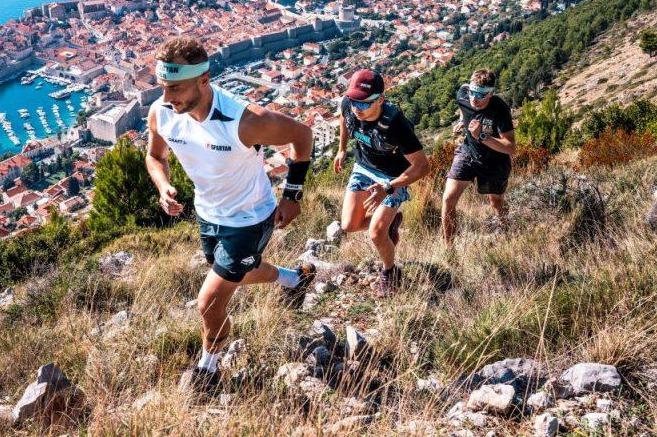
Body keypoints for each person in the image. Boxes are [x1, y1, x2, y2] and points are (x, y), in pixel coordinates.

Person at [146, 37, 316, 394]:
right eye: (163, 87)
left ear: (204, 80)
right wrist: (163, 187)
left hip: (251, 217)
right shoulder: (161, 113)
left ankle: (208, 369)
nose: (167, 96)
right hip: (209, 215)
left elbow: (303, 135)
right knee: (241, 272)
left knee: (209, 302)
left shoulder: (245, 120)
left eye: (175, 87)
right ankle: (293, 279)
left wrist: (293, 195)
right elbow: (155, 157)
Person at [333, 69, 429, 297]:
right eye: (355, 101)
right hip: (363, 167)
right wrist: (341, 149)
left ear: (381, 100)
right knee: (348, 225)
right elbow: (344, 118)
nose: (358, 108)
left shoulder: (396, 126)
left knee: (376, 234)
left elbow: (423, 166)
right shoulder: (349, 104)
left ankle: (390, 272)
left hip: (392, 176)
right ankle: (391, 221)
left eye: (365, 104)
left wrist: (389, 187)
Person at [441, 68, 516, 244]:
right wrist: (462, 120)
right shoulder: (463, 93)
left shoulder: (500, 108)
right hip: (468, 153)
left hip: (495, 161)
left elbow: (511, 147)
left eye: (482, 95)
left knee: (496, 202)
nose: (475, 99)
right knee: (448, 198)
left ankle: (505, 226)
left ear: (491, 93)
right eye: (473, 93)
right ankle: (448, 249)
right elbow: (463, 106)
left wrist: (482, 136)